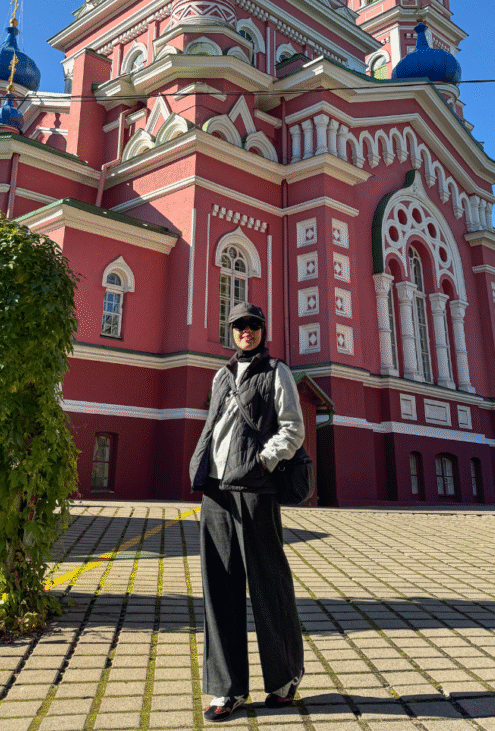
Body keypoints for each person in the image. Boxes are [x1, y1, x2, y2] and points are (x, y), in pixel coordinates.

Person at [189, 302, 306, 722]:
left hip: (255, 489)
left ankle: (284, 679)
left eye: (253, 325)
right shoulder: (221, 375)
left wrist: (263, 462)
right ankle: (227, 688)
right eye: (239, 325)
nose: (246, 331)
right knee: (219, 591)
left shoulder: (276, 372)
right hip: (216, 491)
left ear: (262, 330)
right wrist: (201, 464)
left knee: (269, 584)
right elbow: (214, 426)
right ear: (231, 331)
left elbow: (293, 427)